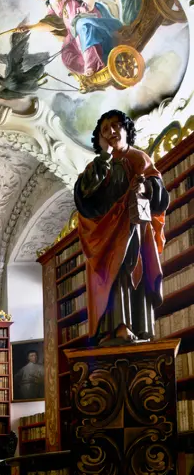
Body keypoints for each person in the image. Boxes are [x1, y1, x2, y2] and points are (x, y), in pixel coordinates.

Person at [74, 110, 169, 344]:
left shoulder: (138, 158)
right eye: (105, 130)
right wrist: (104, 158)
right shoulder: (96, 166)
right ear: (99, 139)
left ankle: (136, 326)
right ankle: (112, 329)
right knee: (110, 276)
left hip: (131, 228)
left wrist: (144, 188)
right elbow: (84, 197)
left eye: (116, 126)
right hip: (105, 233)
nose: (112, 132)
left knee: (129, 269)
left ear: (127, 130)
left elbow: (158, 191)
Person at [20, 0, 123, 77]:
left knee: (82, 27)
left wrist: (88, 6)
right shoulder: (51, 3)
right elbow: (50, 23)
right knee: (66, 53)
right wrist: (30, 27)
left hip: (86, 19)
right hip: (73, 30)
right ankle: (90, 71)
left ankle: (92, 65)